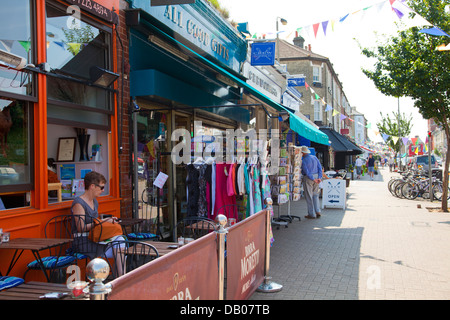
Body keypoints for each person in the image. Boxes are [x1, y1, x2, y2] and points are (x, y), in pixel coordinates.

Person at [71, 171, 126, 274]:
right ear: (92, 186)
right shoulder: (78, 203)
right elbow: (80, 227)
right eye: (101, 187)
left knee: (120, 240)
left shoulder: (94, 201)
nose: (103, 190)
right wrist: (102, 222)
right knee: (119, 245)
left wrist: (105, 222)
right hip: (84, 241)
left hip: (94, 238)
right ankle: (121, 277)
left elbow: (95, 223)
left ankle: (121, 276)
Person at [300, 146, 322, 219]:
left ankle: (311, 214)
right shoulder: (314, 157)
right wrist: (319, 177)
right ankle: (317, 211)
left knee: (309, 196)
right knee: (315, 195)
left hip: (309, 178)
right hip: (316, 176)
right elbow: (320, 168)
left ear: (303, 153)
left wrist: (313, 179)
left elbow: (306, 171)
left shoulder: (304, 161)